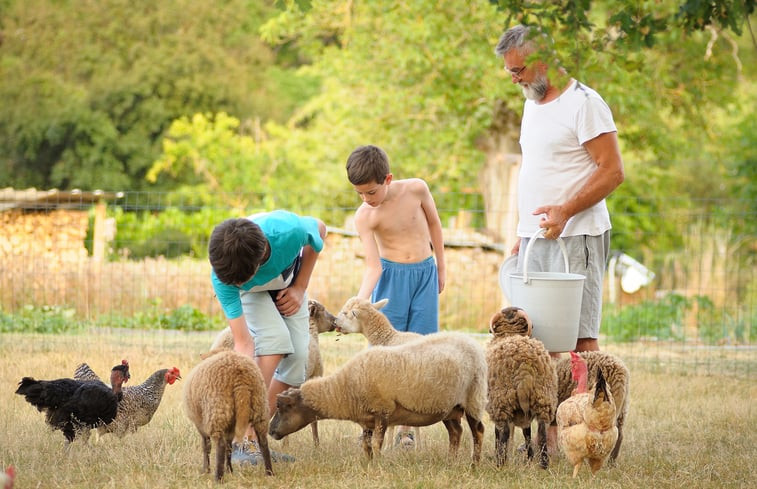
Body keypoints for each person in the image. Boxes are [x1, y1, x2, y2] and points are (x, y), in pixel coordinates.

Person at [495, 24, 624, 357]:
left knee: (579, 339)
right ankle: (557, 410)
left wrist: (565, 211)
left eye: (518, 70)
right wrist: (525, 234)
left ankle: (591, 408)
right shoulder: (532, 103)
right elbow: (543, 170)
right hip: (538, 236)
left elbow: (612, 171)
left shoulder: (585, 103)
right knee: (540, 335)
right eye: (510, 71)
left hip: (577, 234)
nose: (513, 79)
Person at [346, 144, 446, 448]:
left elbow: (434, 224)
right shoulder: (365, 217)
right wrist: (359, 303)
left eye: (371, 192)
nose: (366, 199)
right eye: (360, 194)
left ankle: (407, 428)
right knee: (387, 352)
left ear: (387, 179)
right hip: (391, 279)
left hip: (424, 273)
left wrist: (441, 266)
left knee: (422, 346)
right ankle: (377, 422)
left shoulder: (416, 189)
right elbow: (373, 267)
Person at [209, 210, 327, 464]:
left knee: (297, 366)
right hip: (256, 294)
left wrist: (300, 287)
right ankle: (243, 441)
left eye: (241, 281)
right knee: (274, 342)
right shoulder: (225, 278)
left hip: (288, 284)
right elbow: (244, 343)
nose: (233, 285)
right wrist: (243, 387)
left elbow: (320, 228)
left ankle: (251, 439)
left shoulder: (288, 231)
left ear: (260, 258)